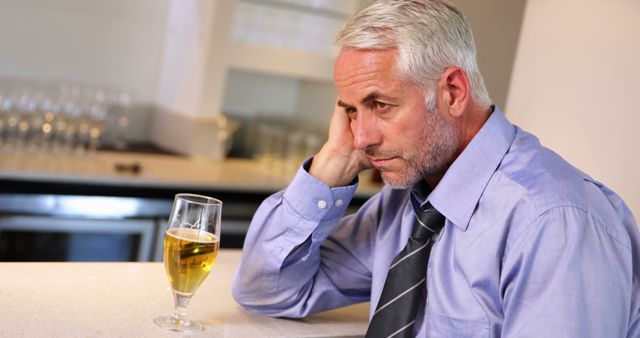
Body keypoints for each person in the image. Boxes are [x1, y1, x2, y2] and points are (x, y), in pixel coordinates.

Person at [232, 0, 640, 337]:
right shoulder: (406, 202)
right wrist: (328, 166)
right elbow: (267, 289)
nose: (361, 137)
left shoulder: (555, 223)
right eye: (352, 111)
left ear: (453, 92)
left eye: (381, 105)